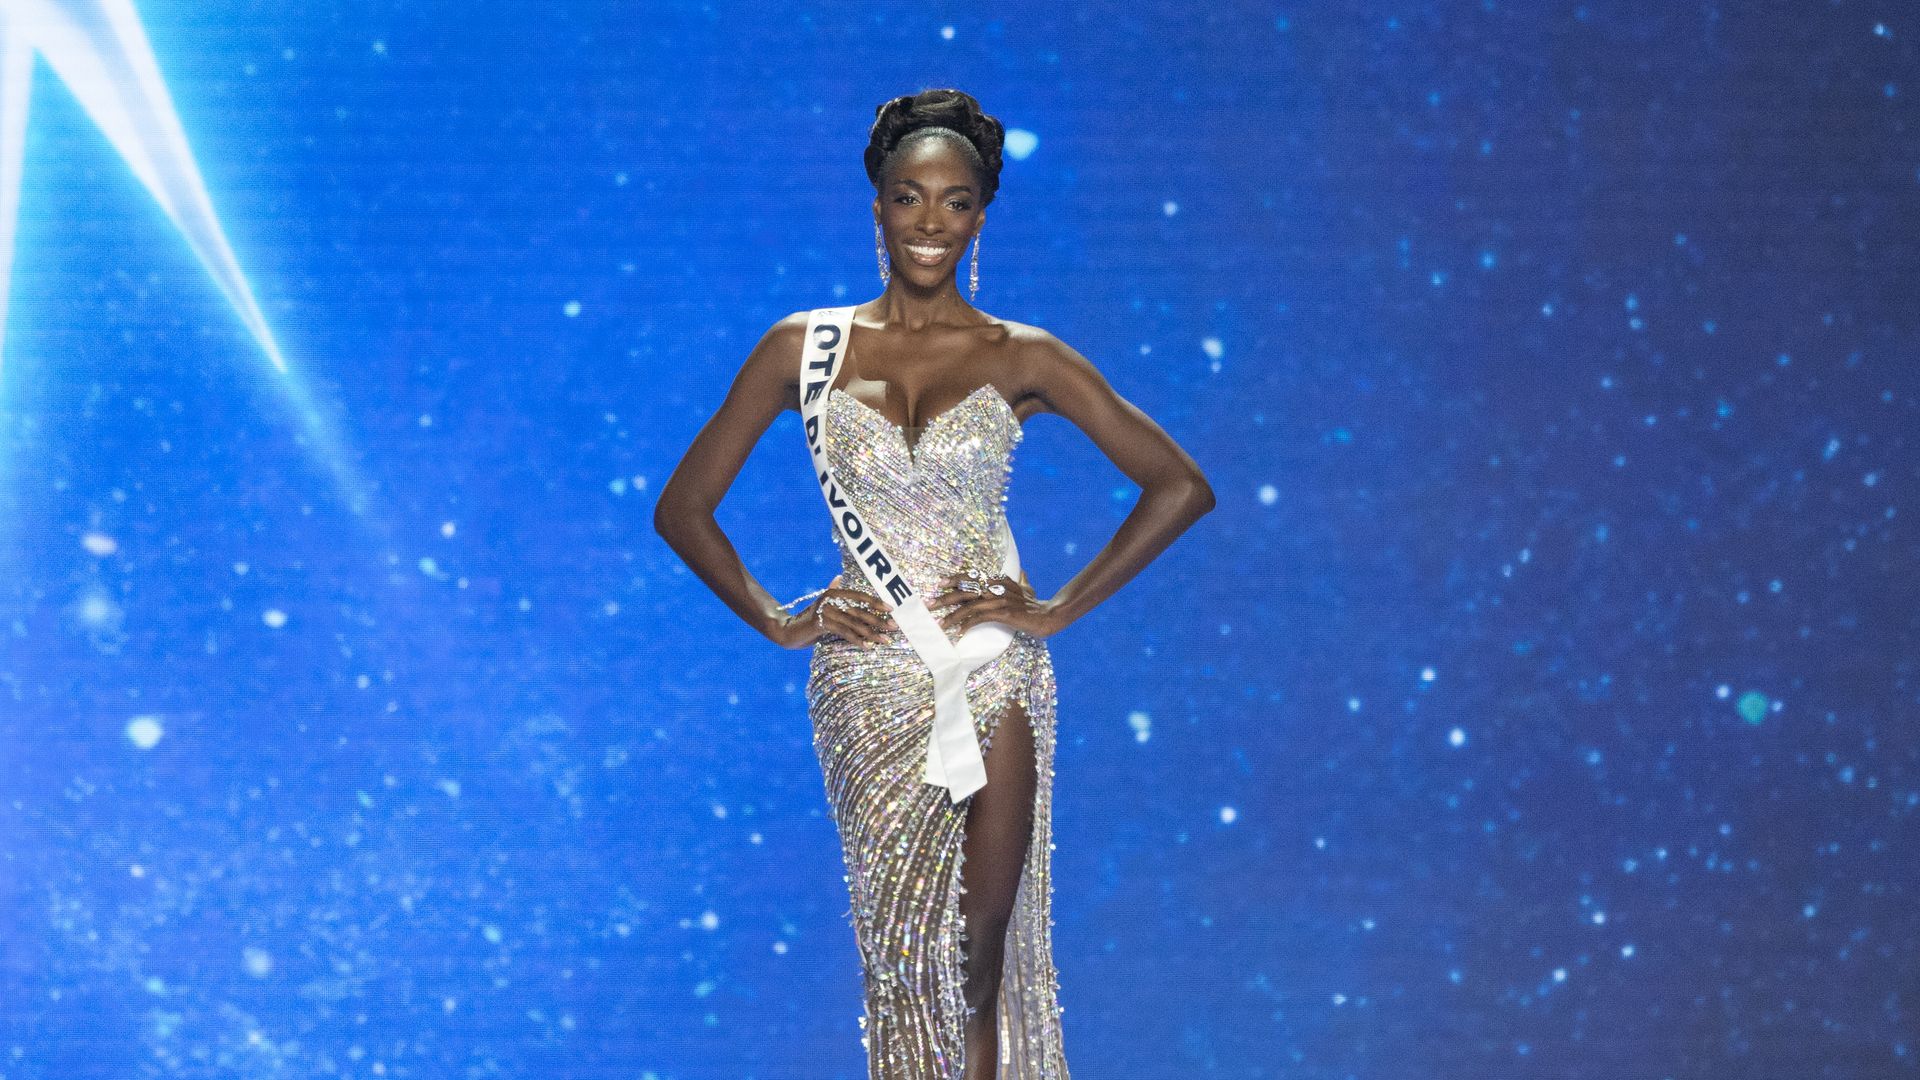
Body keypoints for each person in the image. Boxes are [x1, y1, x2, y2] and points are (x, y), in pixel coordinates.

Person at [654, 87, 1213, 1080]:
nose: (929, 222)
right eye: (909, 196)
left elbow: (1178, 485)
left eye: (955, 201)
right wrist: (782, 619)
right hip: (866, 688)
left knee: (979, 956)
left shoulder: (1023, 356)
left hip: (992, 676)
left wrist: (1055, 608)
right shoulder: (803, 349)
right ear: (876, 202)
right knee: (902, 960)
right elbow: (684, 509)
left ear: (981, 216)